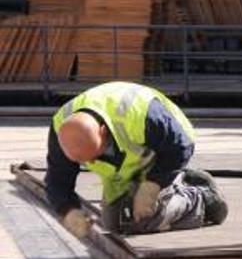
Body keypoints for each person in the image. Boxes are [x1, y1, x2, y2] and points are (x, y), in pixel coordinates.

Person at [45, 82, 227, 237]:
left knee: (143, 220)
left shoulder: (144, 116)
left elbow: (180, 147)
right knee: (115, 222)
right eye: (84, 161)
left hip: (166, 151)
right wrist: (69, 211)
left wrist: (152, 186)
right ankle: (183, 180)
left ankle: (202, 199)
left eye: (94, 156)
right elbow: (57, 180)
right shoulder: (63, 129)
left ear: (103, 131)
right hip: (127, 165)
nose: (91, 164)